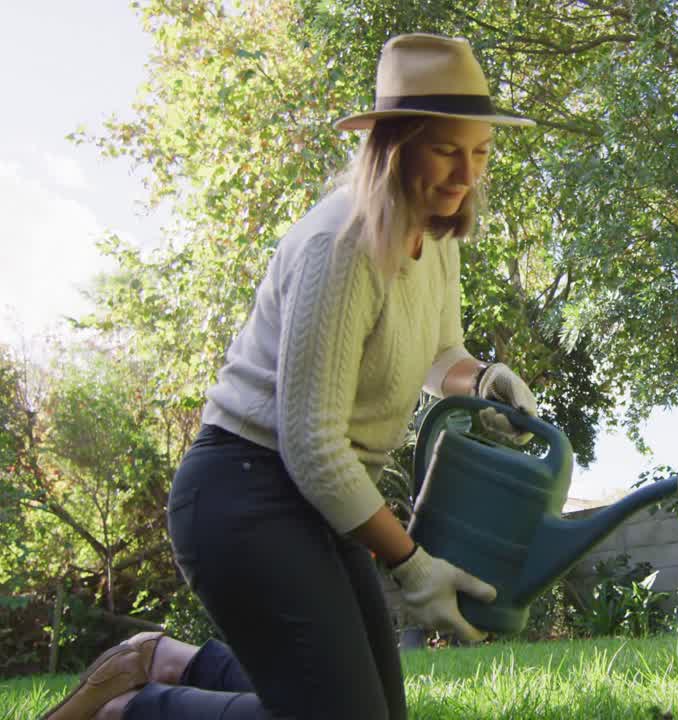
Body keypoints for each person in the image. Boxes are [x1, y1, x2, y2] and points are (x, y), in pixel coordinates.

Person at [44, 33, 538, 720]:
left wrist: (482, 382)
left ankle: (164, 661)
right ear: (393, 147)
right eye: (446, 150)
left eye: (479, 152)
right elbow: (311, 444)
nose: (465, 174)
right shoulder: (341, 246)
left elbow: (439, 352)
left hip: (322, 503)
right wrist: (413, 564)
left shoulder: (433, 238)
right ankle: (129, 712)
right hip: (244, 492)